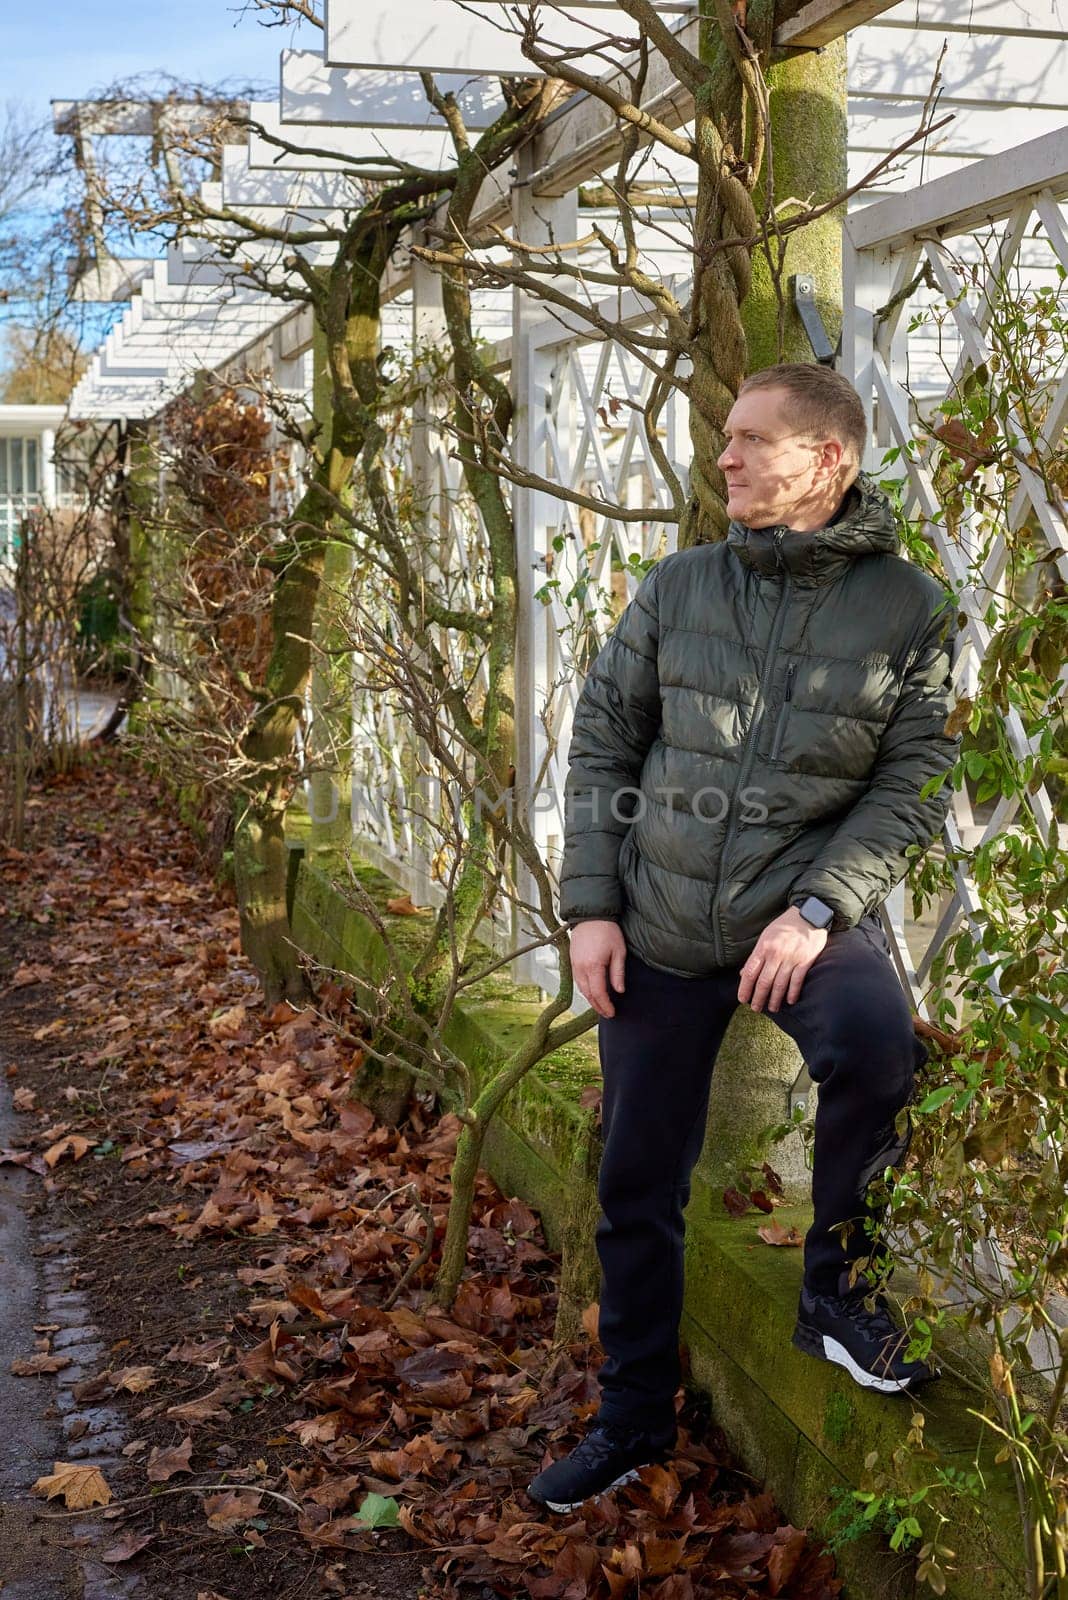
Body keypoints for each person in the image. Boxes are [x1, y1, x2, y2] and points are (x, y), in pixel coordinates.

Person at [526, 363, 962, 1515]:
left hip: (801, 909)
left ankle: (834, 1291)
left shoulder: (909, 607)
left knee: (877, 1045)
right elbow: (603, 745)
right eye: (725, 437)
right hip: (661, 921)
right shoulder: (679, 586)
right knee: (636, 1176)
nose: (724, 457)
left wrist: (818, 909)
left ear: (828, 460)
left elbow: (913, 780)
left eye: (751, 440)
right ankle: (630, 1420)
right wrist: (592, 909)